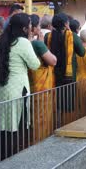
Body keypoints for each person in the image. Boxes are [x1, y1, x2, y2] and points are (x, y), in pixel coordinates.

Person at [0, 13, 40, 160]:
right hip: (17, 91)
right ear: (24, 28)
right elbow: (35, 64)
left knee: (4, 128)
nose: (31, 27)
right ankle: (14, 162)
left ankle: (3, 160)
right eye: (29, 25)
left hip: (3, 89)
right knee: (16, 129)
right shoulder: (22, 42)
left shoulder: (4, 40)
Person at [46, 13, 86, 125]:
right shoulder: (72, 36)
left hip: (53, 74)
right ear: (65, 24)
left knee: (56, 101)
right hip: (68, 76)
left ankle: (55, 124)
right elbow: (82, 52)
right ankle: (66, 125)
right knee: (68, 101)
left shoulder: (48, 37)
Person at [28, 14, 57, 143]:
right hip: (42, 85)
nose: (40, 28)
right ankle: (40, 140)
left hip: (31, 83)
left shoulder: (24, 42)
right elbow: (53, 60)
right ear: (33, 28)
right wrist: (41, 43)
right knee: (42, 115)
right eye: (38, 26)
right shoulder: (37, 44)